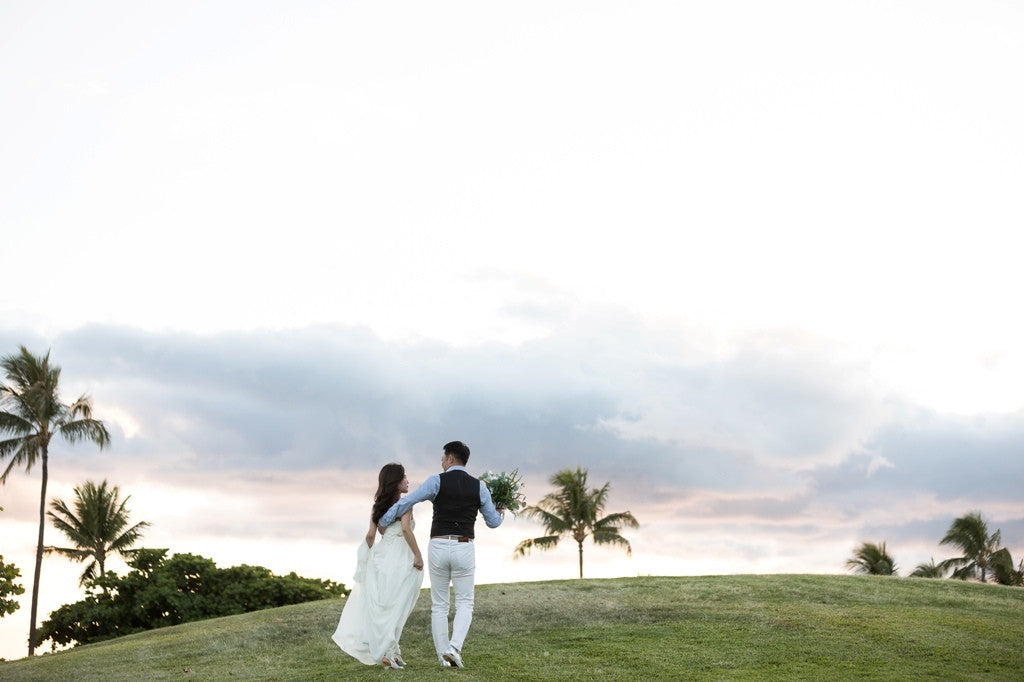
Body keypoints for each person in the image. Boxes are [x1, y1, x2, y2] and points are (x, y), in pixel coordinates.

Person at [378, 440, 503, 669]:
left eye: (443, 458)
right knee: (465, 602)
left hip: (437, 545)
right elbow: (493, 522)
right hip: (464, 545)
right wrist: (500, 512)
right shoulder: (479, 486)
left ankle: (443, 658)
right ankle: (454, 649)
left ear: (451, 459)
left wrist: (384, 520)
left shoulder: (436, 480)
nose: (442, 462)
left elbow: (407, 501)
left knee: (439, 605)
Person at [332, 463, 424, 669]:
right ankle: (388, 652)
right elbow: (407, 530)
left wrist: (369, 557)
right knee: (399, 606)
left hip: (382, 557)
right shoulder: (406, 504)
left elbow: (371, 535)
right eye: (404, 478)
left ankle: (392, 651)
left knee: (385, 606)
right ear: (396, 482)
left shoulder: (377, 507)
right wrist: (418, 555)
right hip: (401, 556)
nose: (408, 481)